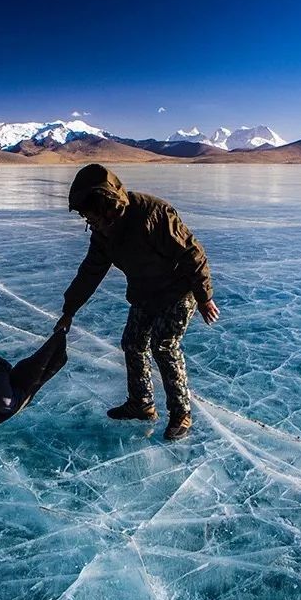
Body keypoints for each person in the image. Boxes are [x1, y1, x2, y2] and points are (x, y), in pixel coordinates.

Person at [54, 164, 219, 441]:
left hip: (179, 290)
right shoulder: (103, 233)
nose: (87, 221)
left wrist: (204, 297)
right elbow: (90, 272)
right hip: (145, 292)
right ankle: (141, 403)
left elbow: (193, 253)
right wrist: (69, 310)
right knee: (132, 342)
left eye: (89, 213)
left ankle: (181, 413)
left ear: (105, 204)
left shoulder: (152, 213)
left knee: (163, 346)